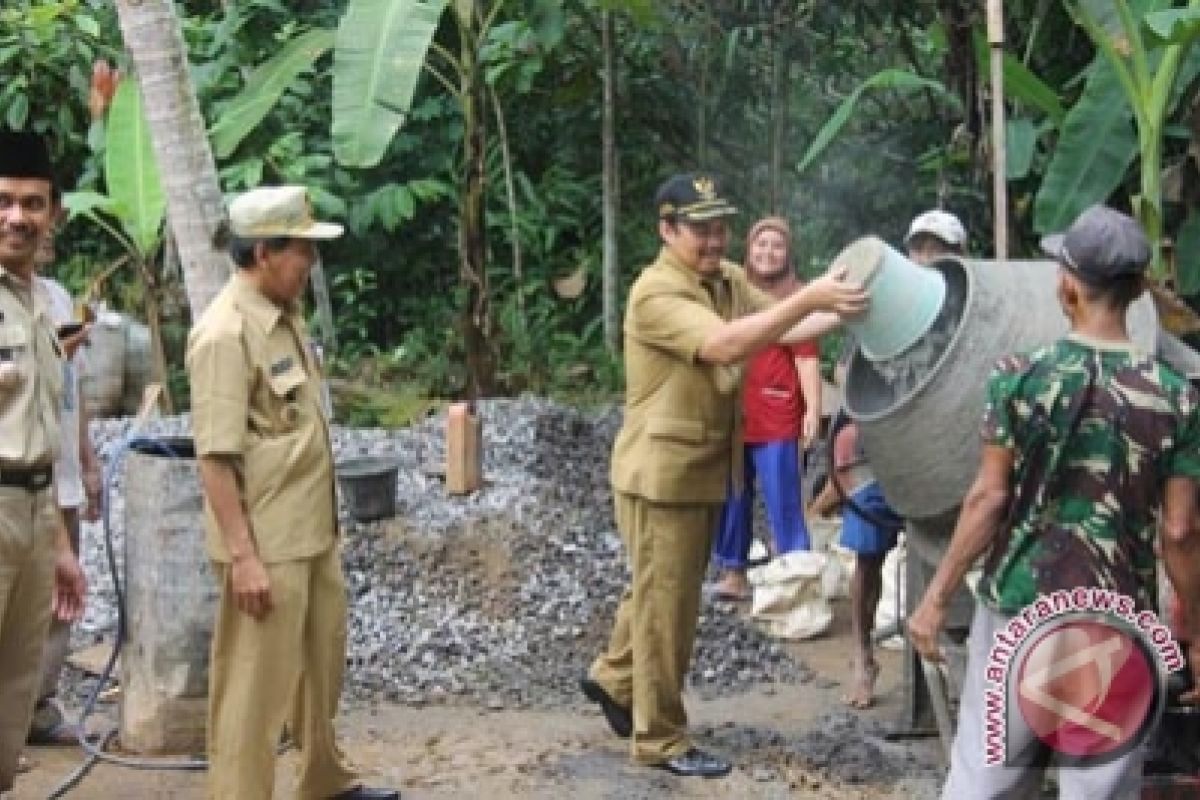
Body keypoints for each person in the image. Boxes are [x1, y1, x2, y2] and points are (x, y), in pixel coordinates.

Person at [907, 205, 1200, 797]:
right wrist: (1194, 633)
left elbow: (988, 499)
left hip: (1020, 614)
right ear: (1139, 290)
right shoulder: (1177, 399)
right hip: (1116, 623)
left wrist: (935, 599)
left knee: (985, 784)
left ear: (1066, 284)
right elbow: (1178, 532)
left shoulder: (1018, 376)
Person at [581, 173, 867, 778]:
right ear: (666, 230)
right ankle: (659, 739)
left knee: (657, 589)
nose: (714, 240)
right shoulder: (656, 293)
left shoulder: (725, 280)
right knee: (669, 607)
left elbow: (788, 328)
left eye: (719, 227)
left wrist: (847, 306)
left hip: (701, 466)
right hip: (663, 474)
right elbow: (725, 346)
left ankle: (613, 678)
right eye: (699, 229)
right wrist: (808, 297)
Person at [187, 185, 397, 800]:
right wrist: (244, 557)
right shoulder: (225, 334)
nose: (309, 263)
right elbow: (216, 460)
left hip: (310, 531)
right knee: (252, 693)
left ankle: (324, 781)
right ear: (262, 253)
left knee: (318, 671)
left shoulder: (284, 318)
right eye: (300, 250)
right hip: (266, 546)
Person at [808, 208, 968, 709]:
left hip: (945, 457)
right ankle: (862, 654)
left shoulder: (966, 316)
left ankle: (953, 650)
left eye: (937, 249)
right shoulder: (885, 306)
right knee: (868, 556)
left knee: (958, 552)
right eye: (918, 247)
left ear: (956, 258)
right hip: (888, 456)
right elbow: (845, 371)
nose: (925, 256)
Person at [0, 128, 88, 794]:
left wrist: (60, 541)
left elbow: (47, 431)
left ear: (53, 213)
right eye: (4, 201)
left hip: (33, 513)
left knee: (11, 695)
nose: (17, 217)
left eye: (33, 203)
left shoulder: (43, 303)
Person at [711, 216, 822, 601]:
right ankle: (733, 572)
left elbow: (807, 359)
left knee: (783, 499)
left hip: (777, 415)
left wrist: (812, 410)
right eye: (761, 244)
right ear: (749, 249)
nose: (768, 252)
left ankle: (796, 580)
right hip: (735, 415)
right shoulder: (732, 290)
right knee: (732, 496)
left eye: (777, 245)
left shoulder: (798, 297)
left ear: (788, 253)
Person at [27, 227, 103, 747]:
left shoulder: (54, 297)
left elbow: (70, 390)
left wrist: (87, 458)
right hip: (18, 477)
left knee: (61, 598)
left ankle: (38, 706)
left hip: (62, 474)